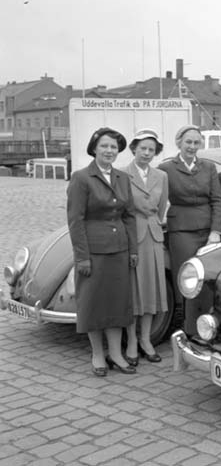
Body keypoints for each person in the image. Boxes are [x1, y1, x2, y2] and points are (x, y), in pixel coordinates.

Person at [67, 127, 137, 377]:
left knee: (117, 304)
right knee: (93, 304)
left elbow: (129, 216)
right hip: (94, 253)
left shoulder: (122, 178)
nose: (109, 151)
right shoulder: (81, 178)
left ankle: (116, 354)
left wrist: (132, 249)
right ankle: (97, 354)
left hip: (119, 250)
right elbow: (75, 221)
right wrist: (82, 257)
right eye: (104, 146)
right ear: (94, 149)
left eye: (114, 147)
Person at [122, 129, 168, 365]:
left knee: (151, 288)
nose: (147, 153)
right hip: (132, 235)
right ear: (134, 149)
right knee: (133, 290)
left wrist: (153, 224)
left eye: (151, 150)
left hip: (153, 236)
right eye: (143, 148)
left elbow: (161, 208)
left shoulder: (161, 176)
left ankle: (146, 339)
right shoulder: (122, 174)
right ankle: (131, 340)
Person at [158, 124, 221, 281]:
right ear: (179, 143)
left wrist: (216, 231)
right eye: (188, 142)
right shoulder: (165, 168)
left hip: (208, 230)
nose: (192, 147)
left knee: (208, 275)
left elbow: (217, 200)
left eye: (196, 143)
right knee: (185, 274)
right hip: (181, 230)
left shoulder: (209, 167)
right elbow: (156, 200)